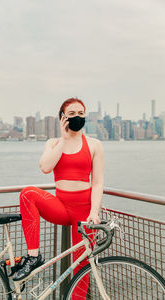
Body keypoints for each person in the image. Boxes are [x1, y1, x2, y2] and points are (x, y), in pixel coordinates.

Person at [14, 98, 104, 298]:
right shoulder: (53, 143)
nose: (77, 117)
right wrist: (63, 140)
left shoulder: (94, 145)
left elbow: (97, 182)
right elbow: (46, 167)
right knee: (28, 194)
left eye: (81, 113)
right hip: (61, 207)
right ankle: (33, 256)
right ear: (62, 118)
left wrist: (94, 212)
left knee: (81, 267)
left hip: (84, 212)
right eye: (71, 114)